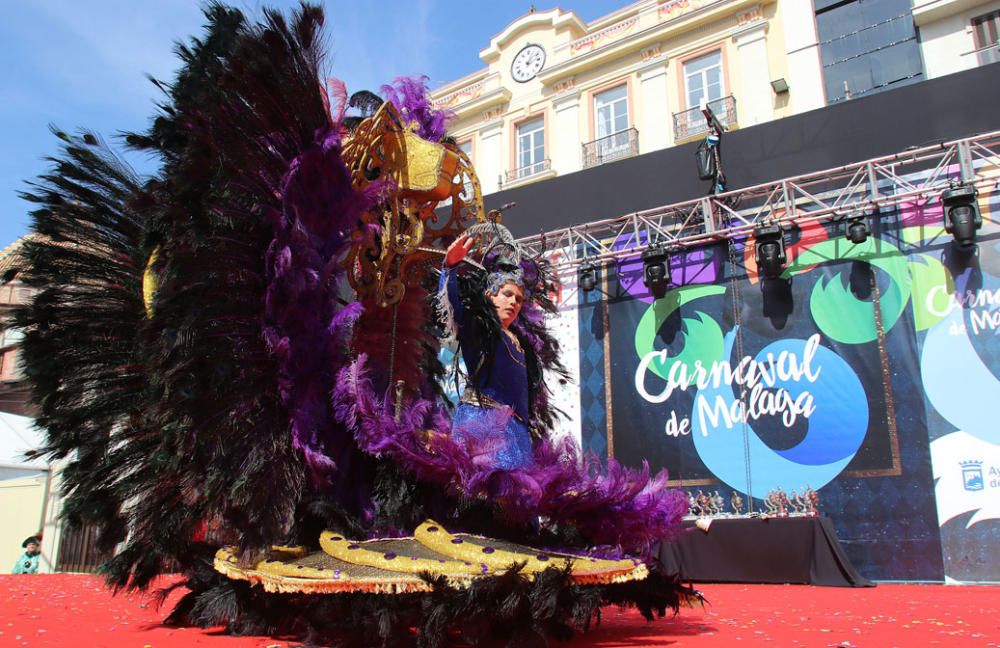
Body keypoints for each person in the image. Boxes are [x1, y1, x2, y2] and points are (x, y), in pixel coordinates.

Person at [439, 233, 534, 470]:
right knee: (483, 496)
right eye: (507, 294)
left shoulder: (519, 342)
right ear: (489, 295)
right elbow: (453, 304)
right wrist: (449, 268)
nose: (514, 302)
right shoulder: (478, 328)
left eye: (519, 299)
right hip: (484, 425)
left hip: (518, 434)